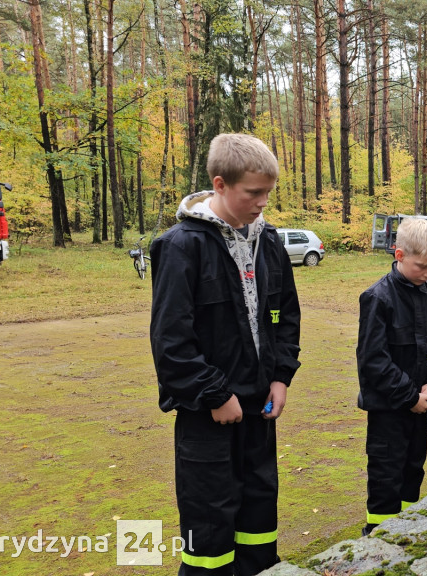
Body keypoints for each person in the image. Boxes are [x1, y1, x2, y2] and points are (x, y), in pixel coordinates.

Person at [149, 133, 301, 576]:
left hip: (260, 410)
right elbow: (170, 341)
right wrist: (215, 395)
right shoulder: (181, 246)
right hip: (205, 417)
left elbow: (285, 317)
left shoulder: (270, 241)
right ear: (219, 184)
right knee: (209, 533)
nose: (262, 203)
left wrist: (281, 377)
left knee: (258, 519)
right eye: (253, 193)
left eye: (267, 193)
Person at [356, 218, 427, 535]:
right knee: (386, 475)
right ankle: (378, 541)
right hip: (388, 411)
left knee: (414, 469)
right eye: (422, 266)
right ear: (399, 255)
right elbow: (373, 360)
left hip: (421, 406)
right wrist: (408, 396)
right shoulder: (377, 299)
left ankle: (408, 532)